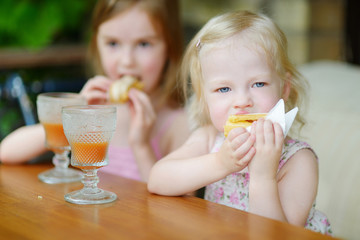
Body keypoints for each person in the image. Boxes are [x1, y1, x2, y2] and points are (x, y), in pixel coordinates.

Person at [147, 10, 332, 235]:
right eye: (223, 88)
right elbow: (157, 181)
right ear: (204, 99)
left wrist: (263, 177)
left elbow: (276, 236)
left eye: (259, 84)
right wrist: (220, 163)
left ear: (284, 88)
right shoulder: (209, 139)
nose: (243, 101)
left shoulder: (298, 160)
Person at [0, 0, 190, 183]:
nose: (127, 61)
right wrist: (72, 117)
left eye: (144, 44)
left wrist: (141, 146)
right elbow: (6, 153)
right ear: (96, 44)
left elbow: (176, 208)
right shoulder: (92, 111)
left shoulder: (177, 125)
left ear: (169, 47)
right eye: (113, 43)